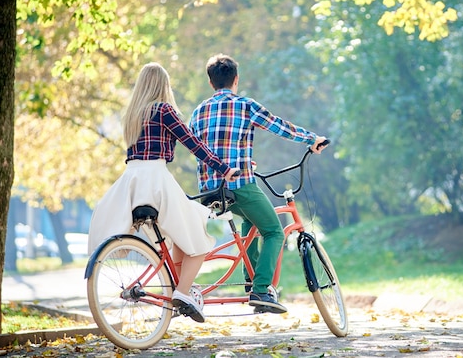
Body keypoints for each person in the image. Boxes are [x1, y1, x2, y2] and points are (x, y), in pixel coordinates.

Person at [87, 62, 239, 323]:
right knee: (199, 239)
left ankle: (181, 290)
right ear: (163, 85)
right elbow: (194, 144)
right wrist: (224, 169)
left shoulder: (132, 115)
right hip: (155, 180)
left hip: (131, 183)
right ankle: (183, 294)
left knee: (181, 236)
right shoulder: (164, 110)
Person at [189, 54, 328, 314]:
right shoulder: (245, 105)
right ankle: (262, 290)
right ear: (236, 80)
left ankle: (250, 280)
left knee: (250, 220)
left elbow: (199, 147)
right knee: (274, 231)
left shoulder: (199, 111)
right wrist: (312, 139)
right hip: (239, 185)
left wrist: (239, 162)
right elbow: (279, 127)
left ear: (210, 82)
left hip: (208, 190)